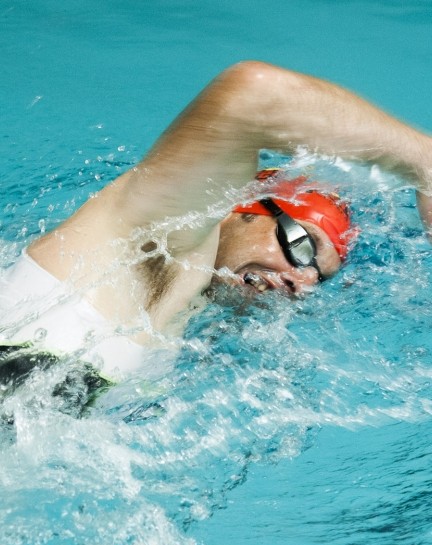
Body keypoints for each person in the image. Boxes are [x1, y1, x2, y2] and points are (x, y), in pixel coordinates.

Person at [1, 61, 432, 399]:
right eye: (302, 247)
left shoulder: (175, 325)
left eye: (317, 279)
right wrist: (425, 164)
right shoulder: (147, 247)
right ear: (238, 207)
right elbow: (253, 94)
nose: (301, 281)